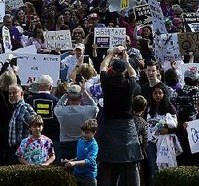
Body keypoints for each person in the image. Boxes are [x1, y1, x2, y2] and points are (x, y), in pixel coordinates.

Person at [97, 47, 142, 186]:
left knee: (107, 165)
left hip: (109, 127)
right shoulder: (130, 84)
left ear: (113, 70)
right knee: (131, 165)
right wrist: (126, 61)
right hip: (126, 129)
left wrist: (110, 54)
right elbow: (133, 73)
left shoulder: (106, 82)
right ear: (123, 72)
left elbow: (102, 66)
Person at [55, 83, 99, 162]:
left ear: (68, 97)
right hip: (83, 143)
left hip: (65, 144)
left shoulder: (61, 111)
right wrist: (84, 92)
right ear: (81, 97)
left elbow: (58, 105)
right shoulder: (87, 111)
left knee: (63, 171)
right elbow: (95, 107)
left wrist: (65, 95)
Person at [63, 118, 99, 186]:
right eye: (83, 132)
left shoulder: (93, 145)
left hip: (88, 177)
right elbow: (80, 156)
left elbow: (90, 161)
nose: (84, 134)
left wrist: (74, 163)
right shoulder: (80, 141)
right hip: (77, 174)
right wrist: (72, 160)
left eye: (87, 133)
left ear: (94, 132)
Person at [7, 84, 36, 165]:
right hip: (14, 148)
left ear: (22, 94)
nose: (11, 95)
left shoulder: (24, 107)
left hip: (22, 148)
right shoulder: (16, 108)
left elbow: (36, 123)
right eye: (10, 93)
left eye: (14, 93)